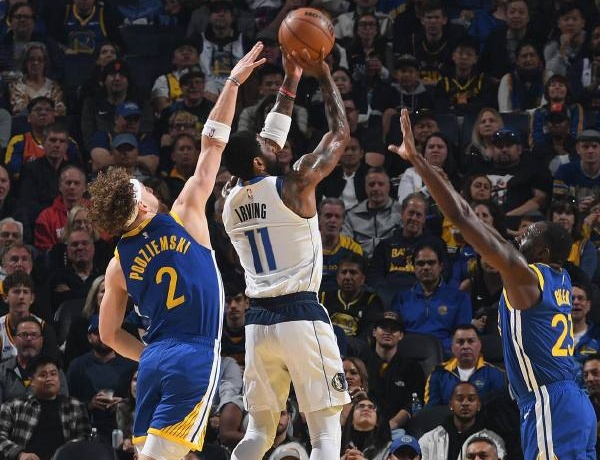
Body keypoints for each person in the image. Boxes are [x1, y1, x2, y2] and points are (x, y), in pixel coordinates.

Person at [88, 42, 267, 460]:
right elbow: (212, 144)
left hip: (154, 361)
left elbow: (109, 334)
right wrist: (232, 84)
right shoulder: (185, 214)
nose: (152, 190)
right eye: (146, 189)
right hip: (194, 353)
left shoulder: (117, 265)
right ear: (143, 206)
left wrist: (148, 354)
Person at [389, 108, 597, 458]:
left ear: (543, 250)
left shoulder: (526, 276)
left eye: (529, 233)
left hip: (550, 400)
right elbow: (477, 221)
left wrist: (419, 163)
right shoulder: (558, 278)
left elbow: (463, 217)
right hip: (568, 401)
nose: (519, 235)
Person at [222, 46, 351, 459]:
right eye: (266, 145)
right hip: (300, 313)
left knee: (259, 432)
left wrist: (291, 79)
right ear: (259, 162)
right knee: (326, 431)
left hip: (258, 323)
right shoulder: (295, 185)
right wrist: (324, 73)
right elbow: (340, 134)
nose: (274, 143)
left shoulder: (228, 200)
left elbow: (268, 139)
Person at [0, 355, 90, 460]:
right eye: (43, 375)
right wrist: (19, 454)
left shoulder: (75, 406)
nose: (49, 379)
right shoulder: (13, 407)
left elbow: (84, 440)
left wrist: (64, 454)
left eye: (53, 374)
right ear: (32, 381)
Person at [425, 325, 506, 405]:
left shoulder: (496, 374)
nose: (466, 346)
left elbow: (500, 408)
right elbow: (431, 410)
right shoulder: (438, 374)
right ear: (452, 346)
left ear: (479, 345)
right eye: (460, 342)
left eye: (471, 341)